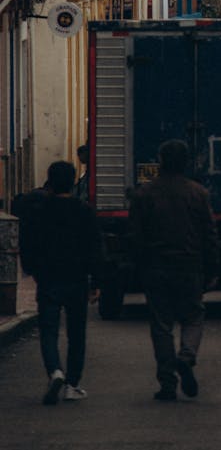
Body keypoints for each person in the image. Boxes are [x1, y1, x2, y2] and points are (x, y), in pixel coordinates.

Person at [128, 139, 219, 401]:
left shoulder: (144, 194)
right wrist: (213, 267)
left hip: (156, 267)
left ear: (160, 161)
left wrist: (137, 267)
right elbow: (209, 235)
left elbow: (135, 236)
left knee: (161, 324)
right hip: (189, 265)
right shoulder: (198, 193)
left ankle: (167, 383)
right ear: (187, 163)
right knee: (193, 316)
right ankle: (187, 355)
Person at [17, 160, 102, 405]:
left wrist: (31, 269)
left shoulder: (39, 210)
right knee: (76, 333)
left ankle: (55, 370)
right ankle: (72, 385)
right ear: (74, 181)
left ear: (50, 181)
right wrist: (96, 280)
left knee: (49, 329)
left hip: (48, 277)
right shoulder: (83, 210)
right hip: (76, 278)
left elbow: (28, 241)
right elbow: (95, 247)